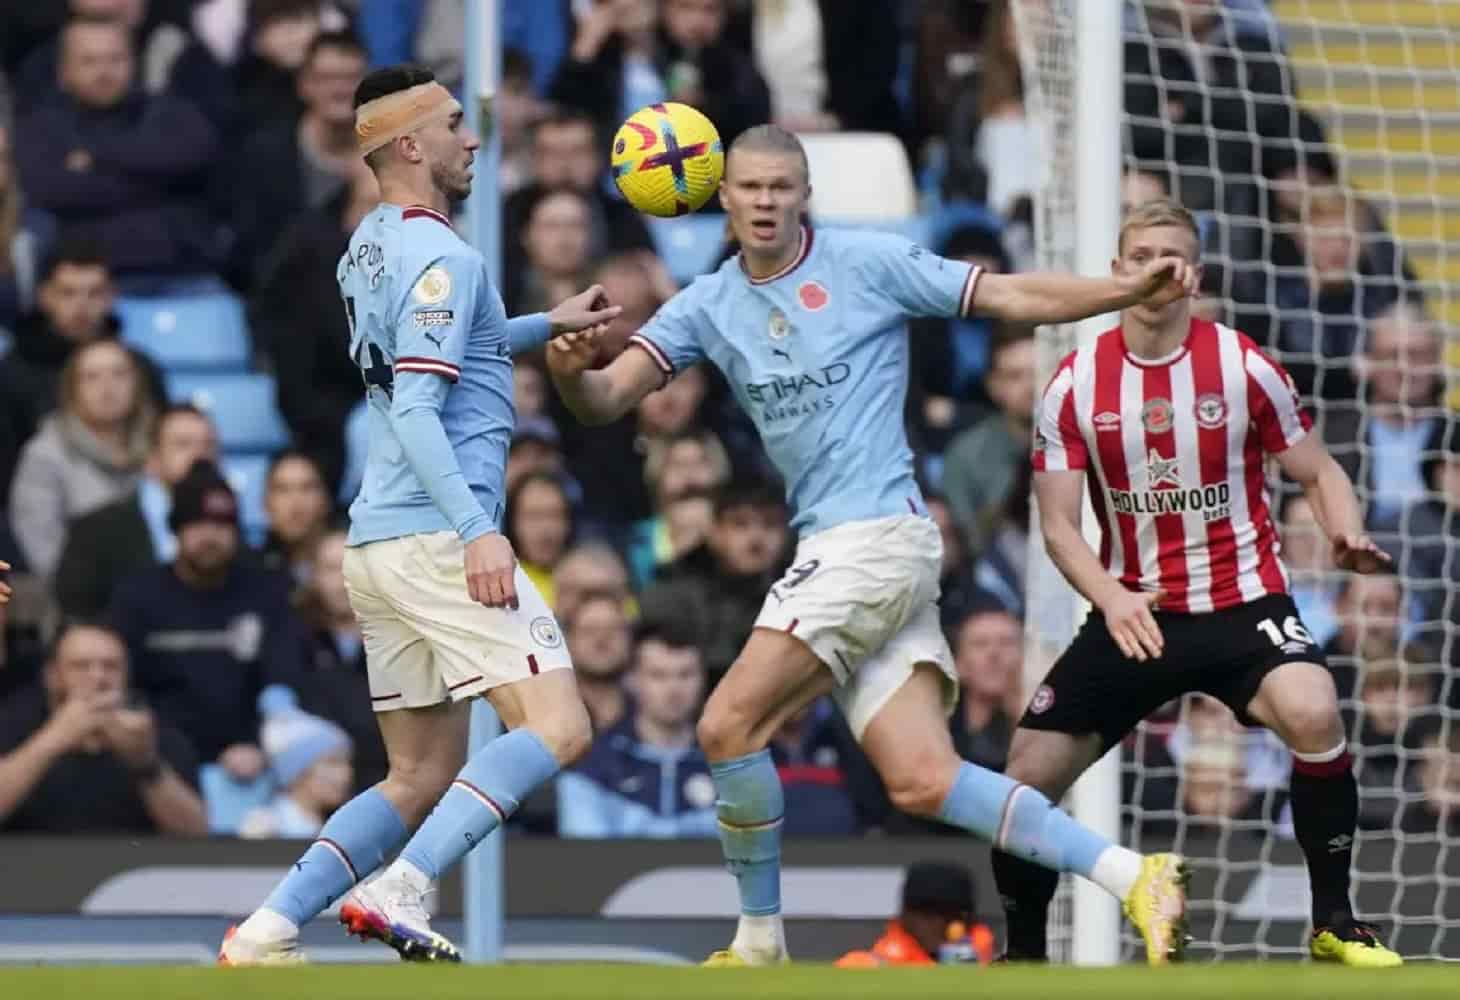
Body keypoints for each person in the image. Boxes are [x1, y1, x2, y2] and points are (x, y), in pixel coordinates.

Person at [546, 124, 1200, 967]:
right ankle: (1133, 873)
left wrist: (1119, 294)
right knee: (922, 778)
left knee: (726, 724)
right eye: (750, 188)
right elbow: (601, 402)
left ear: (805, 194)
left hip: (877, 538)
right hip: (840, 547)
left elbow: (1006, 297)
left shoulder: (868, 264)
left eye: (783, 187)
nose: (767, 202)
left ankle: (757, 943)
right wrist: (567, 369)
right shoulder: (706, 304)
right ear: (722, 194)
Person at [219, 63, 619, 966]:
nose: (472, 138)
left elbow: (446, 347)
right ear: (409, 145)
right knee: (558, 726)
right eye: (451, 125)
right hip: (441, 533)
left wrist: (541, 322)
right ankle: (403, 886)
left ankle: (266, 930)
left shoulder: (369, 243)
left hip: (376, 542)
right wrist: (480, 529)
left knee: (417, 776)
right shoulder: (446, 256)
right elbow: (413, 405)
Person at [1003, 197, 1402, 968]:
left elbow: (1317, 470)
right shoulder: (1075, 385)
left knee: (1316, 711)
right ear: (1118, 270)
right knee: (1024, 779)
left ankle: (1335, 922)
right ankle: (1022, 961)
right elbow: (1057, 527)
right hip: (1134, 613)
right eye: (1140, 254)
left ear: (1195, 276)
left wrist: (1344, 529)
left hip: (1242, 603)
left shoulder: (1245, 365)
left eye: (1171, 255)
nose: (1155, 267)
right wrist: (1112, 598)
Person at [107, 461, 307, 770]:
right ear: (176, 529)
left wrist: (260, 746)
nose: (210, 536)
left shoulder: (267, 593)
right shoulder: (137, 597)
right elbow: (122, 688)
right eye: (197, 524)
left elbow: (283, 681)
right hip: (155, 760)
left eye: (222, 525)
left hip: (250, 761)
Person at [0, 620, 206, 835]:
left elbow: (197, 835)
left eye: (111, 666)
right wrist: (53, 738)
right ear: (52, 676)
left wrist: (147, 765)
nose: (98, 677)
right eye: (81, 666)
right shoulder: (12, 727)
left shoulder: (156, 736)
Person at [53, 402, 216, 618]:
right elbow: (78, 614)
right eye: (183, 445)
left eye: (208, 446)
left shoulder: (226, 529)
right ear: (152, 460)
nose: (200, 456)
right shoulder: (95, 531)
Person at [9, 338, 154, 580]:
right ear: (71, 389)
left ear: (138, 384)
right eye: (91, 376)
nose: (107, 387)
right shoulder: (44, 456)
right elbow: (45, 551)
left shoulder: (160, 446)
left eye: (119, 374)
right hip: (83, 602)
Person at [556, 619, 717, 838]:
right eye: (658, 675)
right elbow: (585, 859)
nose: (673, 689)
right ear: (632, 680)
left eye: (685, 674)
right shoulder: (593, 764)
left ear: (703, 679)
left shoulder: (729, 764)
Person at [835, 861, 995, 967]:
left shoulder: (990, 968)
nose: (938, 924)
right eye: (928, 913)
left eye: (950, 915)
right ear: (906, 916)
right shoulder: (863, 967)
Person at [239, 708, 355, 839]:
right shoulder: (265, 829)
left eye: (347, 763)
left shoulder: (337, 830)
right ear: (299, 772)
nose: (346, 774)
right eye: (332, 762)